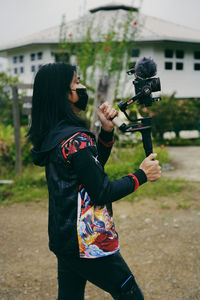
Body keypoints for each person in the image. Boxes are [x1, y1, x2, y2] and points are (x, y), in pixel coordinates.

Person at [26, 62, 161, 300]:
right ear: (64, 95)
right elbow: (101, 191)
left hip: (64, 239)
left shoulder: (57, 135)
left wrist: (106, 132)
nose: (82, 87)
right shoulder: (76, 138)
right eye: (76, 83)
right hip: (88, 243)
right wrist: (141, 175)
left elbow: (89, 172)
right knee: (129, 294)